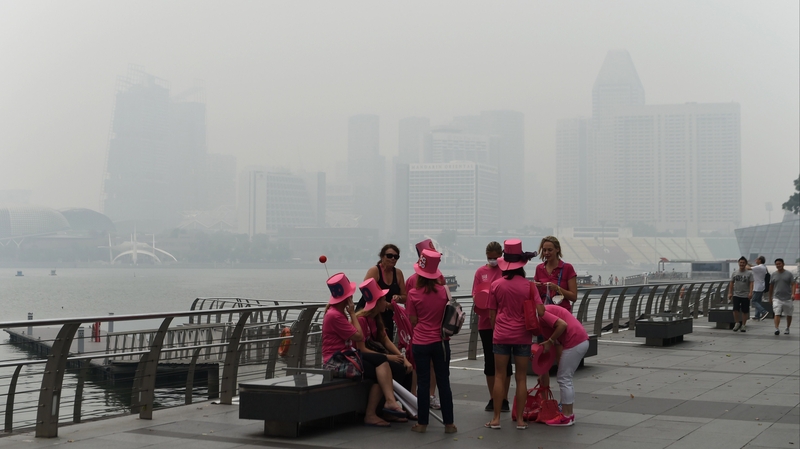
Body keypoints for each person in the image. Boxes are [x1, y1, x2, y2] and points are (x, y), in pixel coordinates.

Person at [322, 273, 406, 427]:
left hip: (347, 355)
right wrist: (352, 313)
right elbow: (359, 336)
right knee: (378, 372)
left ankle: (388, 404)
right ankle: (372, 413)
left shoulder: (337, 313)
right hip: (336, 360)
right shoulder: (335, 316)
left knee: (381, 362)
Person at [485, 239, 538, 430]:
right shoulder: (530, 286)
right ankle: (521, 420)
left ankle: (496, 419)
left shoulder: (496, 285)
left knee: (500, 375)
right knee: (521, 377)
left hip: (501, 334)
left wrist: (497, 331)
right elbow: (540, 310)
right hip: (523, 335)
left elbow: (491, 314)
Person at [406, 249, 457, 434]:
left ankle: (422, 423)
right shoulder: (444, 291)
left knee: (423, 383)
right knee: (444, 382)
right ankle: (449, 424)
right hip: (441, 342)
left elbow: (412, 320)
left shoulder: (413, 293)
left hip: (420, 342)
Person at [355, 278, 414, 395]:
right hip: (362, 358)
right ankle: (388, 401)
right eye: (383, 300)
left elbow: (386, 340)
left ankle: (404, 403)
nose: (386, 303)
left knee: (407, 369)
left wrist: (403, 358)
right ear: (377, 303)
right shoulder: (361, 320)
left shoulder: (376, 318)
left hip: (374, 356)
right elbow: (361, 349)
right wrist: (388, 357)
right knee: (398, 370)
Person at [472, 241, 511, 412]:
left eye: (496, 257)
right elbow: (475, 294)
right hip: (486, 323)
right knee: (490, 361)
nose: (493, 260)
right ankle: (493, 397)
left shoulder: (506, 270)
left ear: (501, 255)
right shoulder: (480, 272)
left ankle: (504, 398)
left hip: (504, 323)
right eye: (490, 258)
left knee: (505, 362)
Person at [536, 303, 589, 427]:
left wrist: (550, 341)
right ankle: (569, 414)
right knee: (566, 378)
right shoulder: (541, 315)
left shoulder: (541, 314)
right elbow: (549, 349)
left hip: (575, 341)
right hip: (579, 340)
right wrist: (542, 371)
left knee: (564, 378)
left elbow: (562, 325)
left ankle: (567, 416)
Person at [404, 239, 443, 410]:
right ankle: (415, 395)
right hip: (422, 333)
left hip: (422, 332)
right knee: (417, 364)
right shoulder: (412, 281)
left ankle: (429, 395)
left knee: (427, 366)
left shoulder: (439, 278)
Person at [363, 244, 407, 341]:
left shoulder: (398, 273)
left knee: (387, 342)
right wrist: (385, 304)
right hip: (371, 314)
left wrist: (398, 297)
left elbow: (405, 297)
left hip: (387, 315)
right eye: (389, 256)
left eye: (396, 257)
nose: (393, 259)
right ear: (382, 256)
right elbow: (366, 291)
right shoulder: (375, 270)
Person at [534, 236, 578, 313]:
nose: (546, 253)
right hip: (545, 313)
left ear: (557, 249)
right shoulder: (539, 268)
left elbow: (573, 297)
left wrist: (557, 288)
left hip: (562, 313)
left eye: (550, 250)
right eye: (544, 250)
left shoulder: (567, 268)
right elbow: (536, 296)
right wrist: (535, 288)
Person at [769, 258, 796, 335]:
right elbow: (771, 286)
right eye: (777, 264)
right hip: (777, 297)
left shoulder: (789, 274)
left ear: (783, 264)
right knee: (777, 313)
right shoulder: (773, 274)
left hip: (788, 298)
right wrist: (770, 297)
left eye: (779, 264)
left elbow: (793, 284)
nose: (778, 265)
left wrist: (793, 294)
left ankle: (787, 327)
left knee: (789, 314)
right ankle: (776, 328)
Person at [728, 256, 753, 333]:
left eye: (743, 263)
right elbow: (731, 283)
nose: (742, 264)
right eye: (740, 262)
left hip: (746, 294)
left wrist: (751, 292)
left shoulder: (749, 273)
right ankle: (737, 323)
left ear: (745, 264)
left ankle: (743, 325)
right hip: (736, 294)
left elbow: (751, 283)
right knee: (735, 309)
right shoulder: (735, 273)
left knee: (745, 310)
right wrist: (730, 293)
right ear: (738, 263)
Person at [746, 256, 769, 321]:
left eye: (757, 259)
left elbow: (747, 268)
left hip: (757, 287)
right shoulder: (763, 267)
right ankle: (757, 316)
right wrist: (747, 263)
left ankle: (763, 311)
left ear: (760, 260)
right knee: (758, 301)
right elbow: (752, 266)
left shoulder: (759, 267)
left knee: (753, 301)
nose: (756, 260)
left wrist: (744, 263)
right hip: (761, 286)